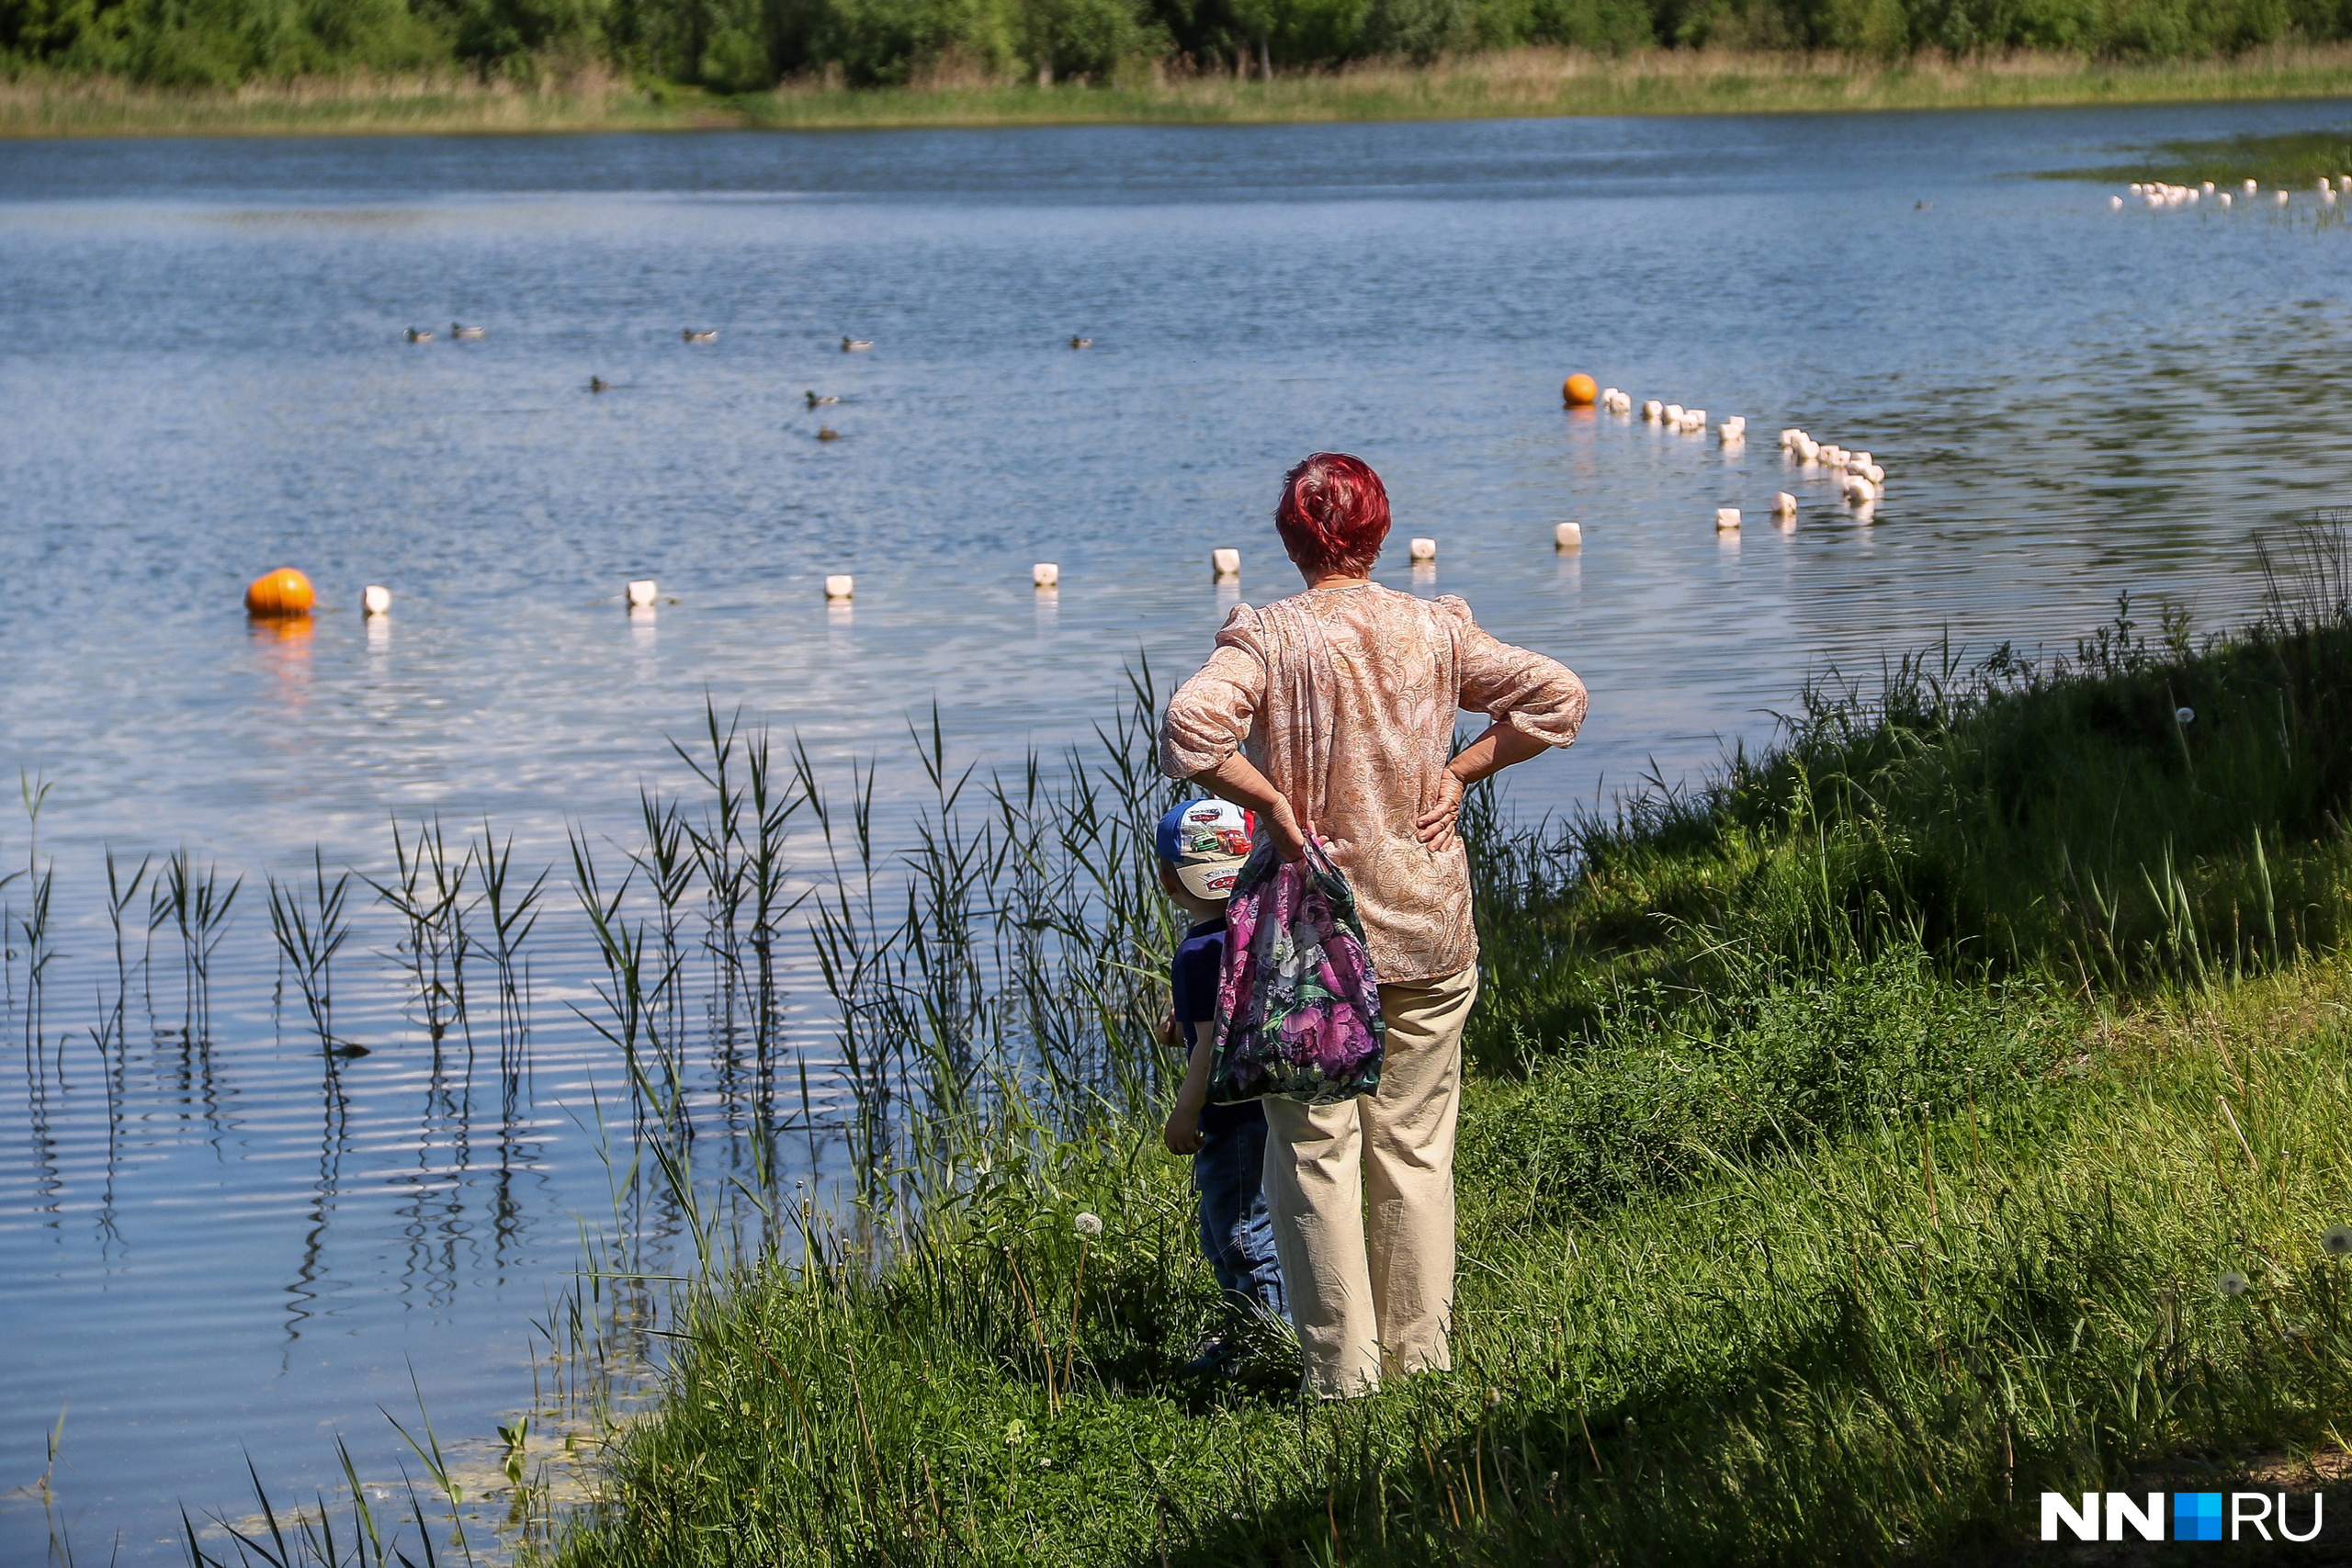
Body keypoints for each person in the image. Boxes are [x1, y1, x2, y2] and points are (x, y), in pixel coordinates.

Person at [1159, 452, 1588, 1398]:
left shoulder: (1267, 639)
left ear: (1289, 538)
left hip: (1308, 941)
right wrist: (1463, 769)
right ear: (1378, 533)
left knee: (1312, 1157)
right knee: (1416, 1150)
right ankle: (1422, 1366)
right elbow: (1559, 695)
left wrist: (1270, 803)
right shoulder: (1435, 633)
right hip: (1428, 928)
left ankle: (1342, 1383)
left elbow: (1190, 728)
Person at [1155, 797, 1287, 1375]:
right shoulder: (1258, 924)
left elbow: (1210, 1048)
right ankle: (1244, 1332)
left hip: (1229, 1118)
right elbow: (1238, 1009)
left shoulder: (1194, 953)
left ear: (1168, 880)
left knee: (1240, 1234)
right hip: (1272, 1102)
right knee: (1233, 1228)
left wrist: (1186, 1113)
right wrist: (1185, 1020)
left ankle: (1270, 1346)